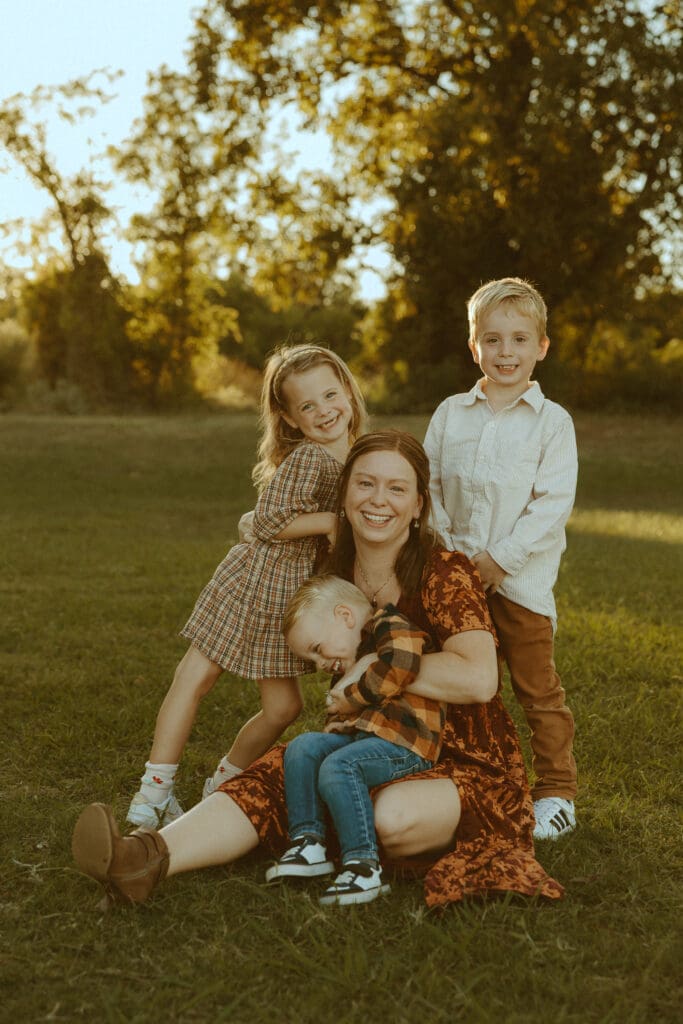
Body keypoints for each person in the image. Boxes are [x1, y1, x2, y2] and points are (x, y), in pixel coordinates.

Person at [72, 430, 564, 911]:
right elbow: (259, 538)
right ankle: (142, 858)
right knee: (277, 773)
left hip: (461, 758)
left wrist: (375, 662)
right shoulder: (327, 570)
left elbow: (479, 680)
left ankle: (342, 840)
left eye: (397, 488)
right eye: (365, 483)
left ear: (418, 506)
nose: (379, 500)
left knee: (385, 816)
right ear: (345, 493)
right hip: (363, 742)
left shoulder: (443, 571)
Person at [126, 343, 367, 828]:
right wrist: (329, 520)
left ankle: (225, 782)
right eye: (307, 406)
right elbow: (264, 522)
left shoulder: (351, 456)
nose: (323, 411)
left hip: (292, 599)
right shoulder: (310, 458)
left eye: (329, 394)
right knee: (194, 678)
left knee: (283, 706)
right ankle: (152, 794)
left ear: (348, 390)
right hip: (254, 581)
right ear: (291, 419)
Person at [423, 277, 578, 841]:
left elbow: (551, 504)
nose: (505, 352)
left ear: (541, 346)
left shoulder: (552, 423)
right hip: (456, 580)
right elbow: (431, 486)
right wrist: (456, 557)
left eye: (518, 339)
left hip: (520, 585)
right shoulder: (450, 414)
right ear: (474, 347)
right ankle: (452, 773)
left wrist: (497, 560)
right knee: (458, 684)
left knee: (538, 691)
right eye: (492, 339)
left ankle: (557, 792)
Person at [266, 574, 444, 905]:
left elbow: (402, 665)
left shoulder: (390, 625)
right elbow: (355, 711)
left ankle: (363, 865)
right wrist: (341, 723)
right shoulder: (350, 655)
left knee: (339, 766)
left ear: (345, 616)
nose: (320, 665)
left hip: (406, 744)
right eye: (313, 660)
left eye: (317, 650)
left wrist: (352, 696)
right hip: (369, 740)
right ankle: (309, 841)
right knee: (303, 747)